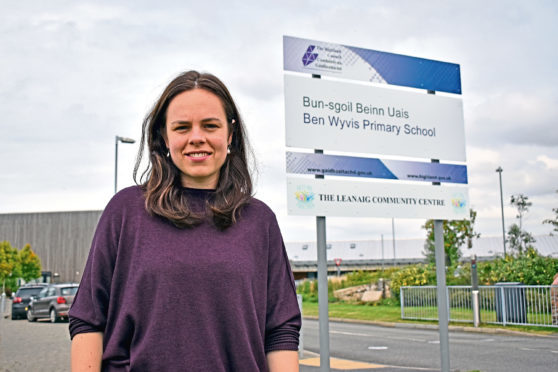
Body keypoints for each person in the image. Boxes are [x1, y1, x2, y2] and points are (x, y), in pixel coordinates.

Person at [69, 71, 301, 371]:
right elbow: (88, 320)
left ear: (230, 135)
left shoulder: (259, 221)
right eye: (181, 127)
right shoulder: (125, 212)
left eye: (210, 125)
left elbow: (280, 330)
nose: (196, 138)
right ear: (164, 138)